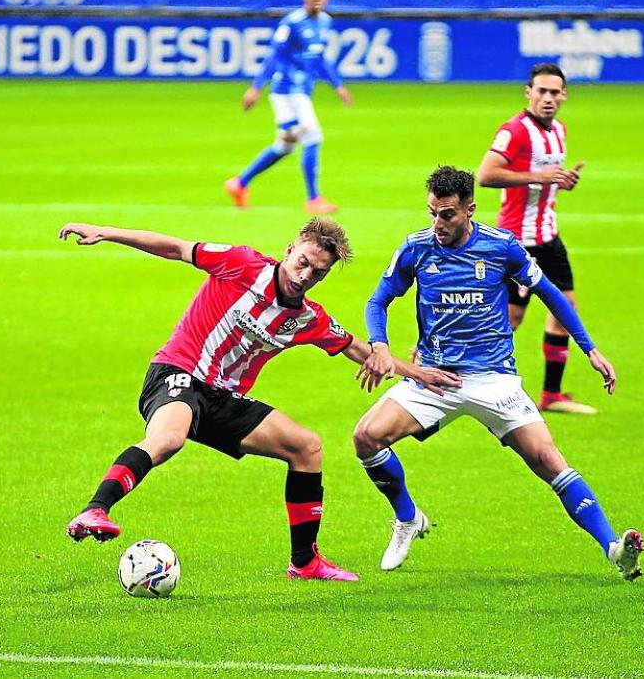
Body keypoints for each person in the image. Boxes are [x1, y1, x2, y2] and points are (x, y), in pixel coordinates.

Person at [59, 218, 456, 581]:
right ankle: (97, 508)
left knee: (307, 448)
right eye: (301, 262)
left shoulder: (307, 318)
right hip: (178, 374)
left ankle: (305, 562)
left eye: (317, 272)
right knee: (168, 438)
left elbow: (356, 348)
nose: (305, 275)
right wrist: (108, 232)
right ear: (289, 250)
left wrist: (418, 374)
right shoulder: (242, 264)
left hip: (223, 399)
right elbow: (176, 248)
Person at [353, 166, 644, 581]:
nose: (438, 224)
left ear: (470, 208)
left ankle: (614, 549)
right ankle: (407, 518)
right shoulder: (417, 249)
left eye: (448, 214)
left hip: (494, 379)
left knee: (547, 459)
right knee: (366, 437)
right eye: (433, 212)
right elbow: (377, 301)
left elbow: (551, 295)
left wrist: (590, 349)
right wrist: (379, 344)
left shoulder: (500, 247)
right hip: (435, 377)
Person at [477, 62, 594, 414]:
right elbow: (485, 175)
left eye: (555, 92)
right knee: (511, 318)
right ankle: (475, 382)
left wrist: (560, 181)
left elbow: (546, 180)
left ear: (564, 95)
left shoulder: (559, 129)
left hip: (549, 237)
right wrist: (538, 176)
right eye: (541, 91)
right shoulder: (514, 131)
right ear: (528, 92)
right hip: (518, 240)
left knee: (564, 307)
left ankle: (552, 394)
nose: (548, 98)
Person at [225, 0, 352, 215]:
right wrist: (256, 87)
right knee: (313, 135)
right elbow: (273, 56)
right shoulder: (291, 23)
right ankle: (313, 198)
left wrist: (337, 85)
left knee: (285, 146)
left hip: (303, 90)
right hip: (286, 91)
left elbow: (320, 57)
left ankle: (239, 183)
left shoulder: (325, 22)